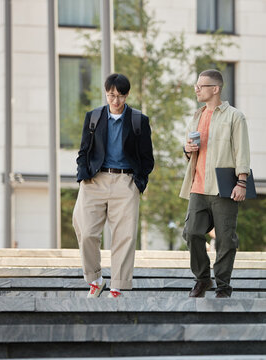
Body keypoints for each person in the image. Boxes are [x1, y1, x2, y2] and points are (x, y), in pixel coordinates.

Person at [73, 73, 154, 298]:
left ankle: (117, 286)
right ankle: (95, 279)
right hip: (94, 180)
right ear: (106, 93)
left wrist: (138, 182)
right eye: (111, 95)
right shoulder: (94, 117)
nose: (115, 100)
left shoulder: (139, 120)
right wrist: (83, 175)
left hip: (125, 181)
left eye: (119, 96)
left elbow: (147, 158)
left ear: (127, 95)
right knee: (87, 231)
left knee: (124, 236)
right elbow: (83, 151)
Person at [180, 69, 250, 298]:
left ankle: (223, 285)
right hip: (197, 185)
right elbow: (192, 149)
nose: (196, 89)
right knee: (191, 233)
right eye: (196, 85)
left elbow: (242, 151)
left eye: (201, 86)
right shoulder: (196, 115)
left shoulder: (234, 116)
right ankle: (203, 279)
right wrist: (187, 150)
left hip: (224, 186)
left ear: (216, 89)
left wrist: (242, 182)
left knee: (225, 239)